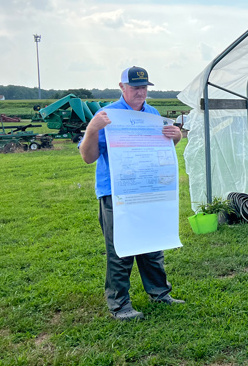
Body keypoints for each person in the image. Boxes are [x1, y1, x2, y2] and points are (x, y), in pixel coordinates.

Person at [79, 66, 185, 321]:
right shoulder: (108, 115)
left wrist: (177, 137)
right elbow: (88, 157)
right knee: (121, 248)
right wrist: (92, 129)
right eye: (135, 87)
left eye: (144, 87)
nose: (141, 92)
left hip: (148, 189)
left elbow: (163, 148)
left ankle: (160, 293)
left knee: (153, 242)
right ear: (122, 87)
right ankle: (120, 305)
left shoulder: (152, 114)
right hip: (116, 192)